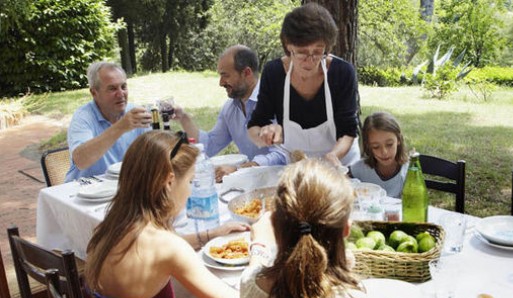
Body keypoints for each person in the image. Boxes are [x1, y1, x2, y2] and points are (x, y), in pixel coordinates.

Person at [241, 159, 493, 298]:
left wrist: (259, 243)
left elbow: (257, 264)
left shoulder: (249, 285)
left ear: (275, 224)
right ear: (347, 230)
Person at [84, 131, 248, 298]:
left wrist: (210, 234)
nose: (190, 191)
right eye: (190, 181)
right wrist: (260, 248)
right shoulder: (167, 247)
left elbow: (155, 251)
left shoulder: (109, 227)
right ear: (169, 181)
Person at [247, 3, 360, 167]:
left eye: (318, 51)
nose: (310, 60)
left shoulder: (342, 72)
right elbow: (254, 126)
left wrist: (333, 156)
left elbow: (348, 131)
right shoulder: (274, 73)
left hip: (340, 163)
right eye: (301, 52)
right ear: (288, 46)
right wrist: (265, 134)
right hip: (296, 166)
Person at [175, 45, 286, 182]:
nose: (221, 83)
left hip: (282, 184)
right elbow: (209, 146)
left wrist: (239, 169)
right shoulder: (230, 109)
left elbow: (284, 154)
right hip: (251, 184)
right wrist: (183, 118)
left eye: (225, 75)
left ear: (247, 73)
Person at [65, 62, 151, 182]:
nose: (121, 94)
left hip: (124, 188)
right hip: (83, 193)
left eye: (123, 87)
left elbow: (154, 154)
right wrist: (121, 127)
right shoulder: (83, 117)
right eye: (112, 88)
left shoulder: (135, 113)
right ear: (94, 93)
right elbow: (81, 161)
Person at [350, 112, 409, 198]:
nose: (384, 152)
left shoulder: (409, 171)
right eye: (376, 147)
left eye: (389, 144)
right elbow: (339, 180)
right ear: (368, 146)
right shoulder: (360, 168)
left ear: (399, 140)